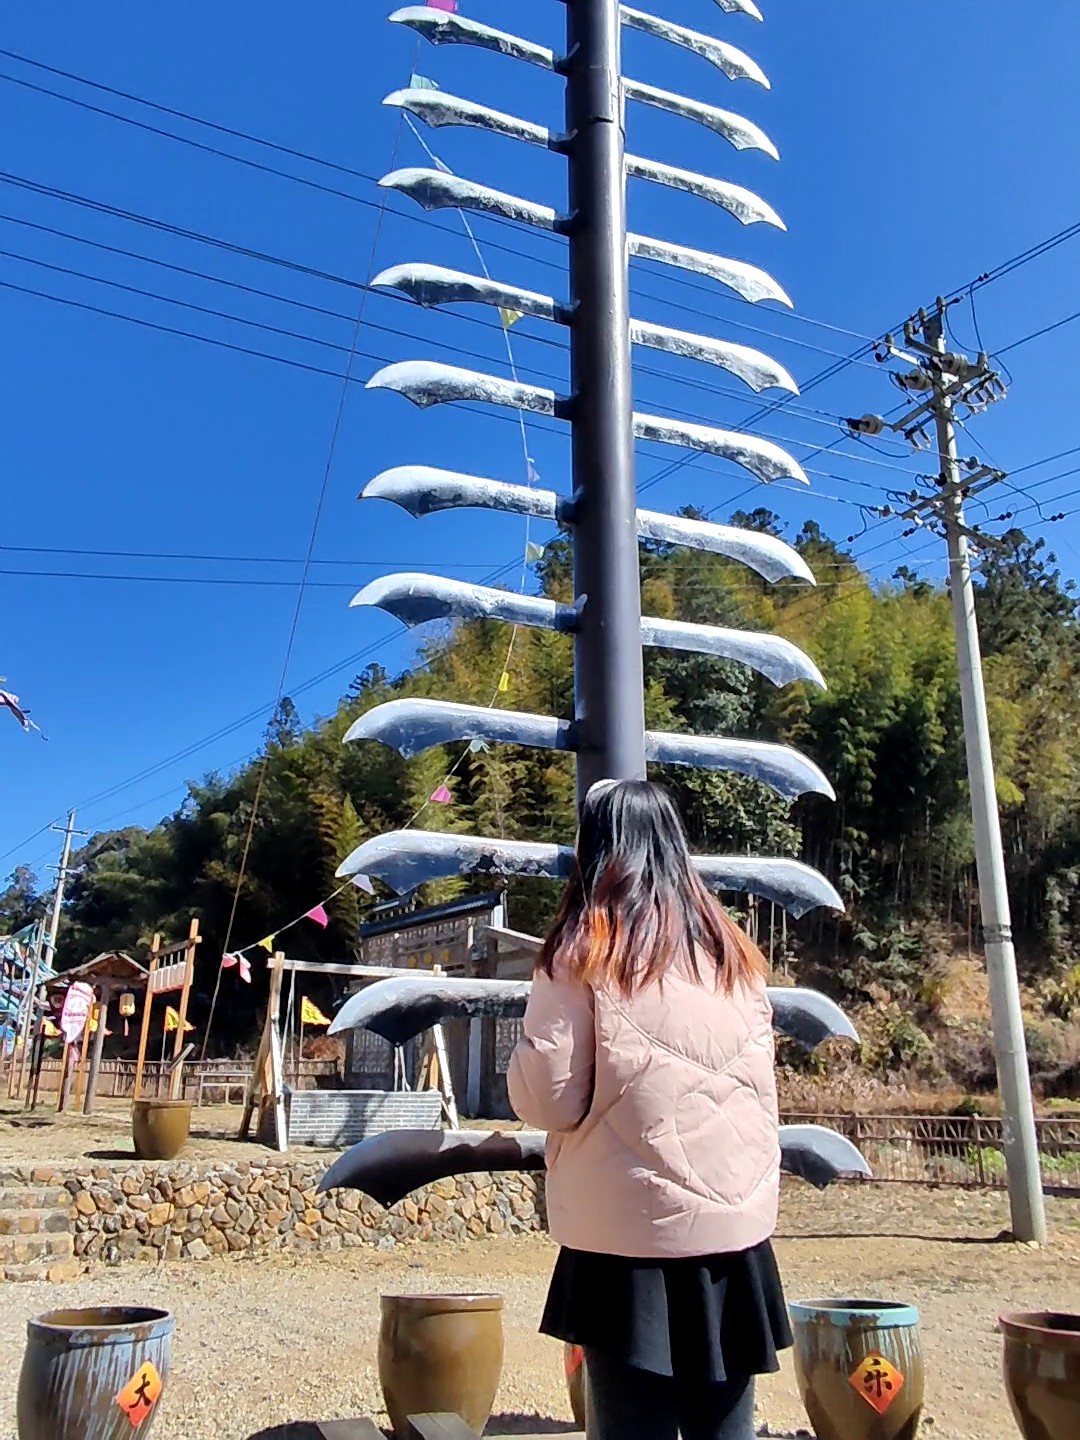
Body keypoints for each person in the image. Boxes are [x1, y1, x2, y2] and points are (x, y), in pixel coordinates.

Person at [507, 778, 792, 1440]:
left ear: (594, 849)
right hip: (734, 1234)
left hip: (629, 1239)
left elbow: (546, 1099)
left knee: (635, 1426)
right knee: (726, 1427)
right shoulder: (734, 954)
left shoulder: (585, 952)